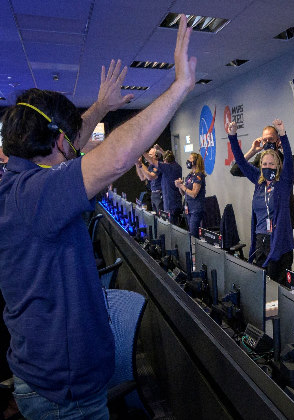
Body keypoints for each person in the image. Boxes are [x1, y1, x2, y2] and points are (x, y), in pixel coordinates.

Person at [0, 15, 196, 419]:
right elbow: (117, 156)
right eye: (69, 141)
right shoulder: (37, 193)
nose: (75, 146)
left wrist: (101, 108)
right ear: (58, 140)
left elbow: (64, 146)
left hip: (53, 380)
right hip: (64, 395)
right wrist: (179, 87)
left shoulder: (23, 183)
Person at [227, 119, 294, 284]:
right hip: (260, 241)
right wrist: (232, 136)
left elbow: (289, 163)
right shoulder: (259, 179)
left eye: (271, 164)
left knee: (275, 290)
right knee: (260, 286)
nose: (267, 166)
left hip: (279, 243)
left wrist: (283, 135)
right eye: (264, 164)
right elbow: (240, 164)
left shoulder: (283, 182)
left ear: (278, 165)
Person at [230, 125, 294, 230]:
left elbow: (293, 171)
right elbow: (235, 169)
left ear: (278, 140)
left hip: (283, 215)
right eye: (265, 140)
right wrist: (252, 151)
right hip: (264, 216)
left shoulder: (288, 159)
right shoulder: (260, 161)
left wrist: (284, 150)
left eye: (271, 139)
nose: (268, 142)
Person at [147, 146, 182, 225]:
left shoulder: (168, 168)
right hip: (174, 202)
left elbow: (153, 164)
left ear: (165, 160)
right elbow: (167, 157)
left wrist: (142, 153)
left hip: (170, 203)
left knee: (170, 226)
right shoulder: (177, 166)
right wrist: (160, 149)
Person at [175, 152, 206, 237]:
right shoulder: (190, 175)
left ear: (195, 162)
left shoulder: (199, 176)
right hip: (188, 208)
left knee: (193, 234)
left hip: (196, 209)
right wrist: (179, 186)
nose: (188, 161)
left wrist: (182, 186)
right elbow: (184, 193)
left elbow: (194, 194)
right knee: (190, 233)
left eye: (190, 159)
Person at [138, 147, 163, 213]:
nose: (147, 157)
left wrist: (140, 165)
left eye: (150, 155)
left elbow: (150, 177)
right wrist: (138, 164)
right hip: (153, 194)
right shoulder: (151, 166)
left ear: (156, 156)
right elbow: (143, 177)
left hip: (159, 194)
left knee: (160, 217)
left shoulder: (159, 165)